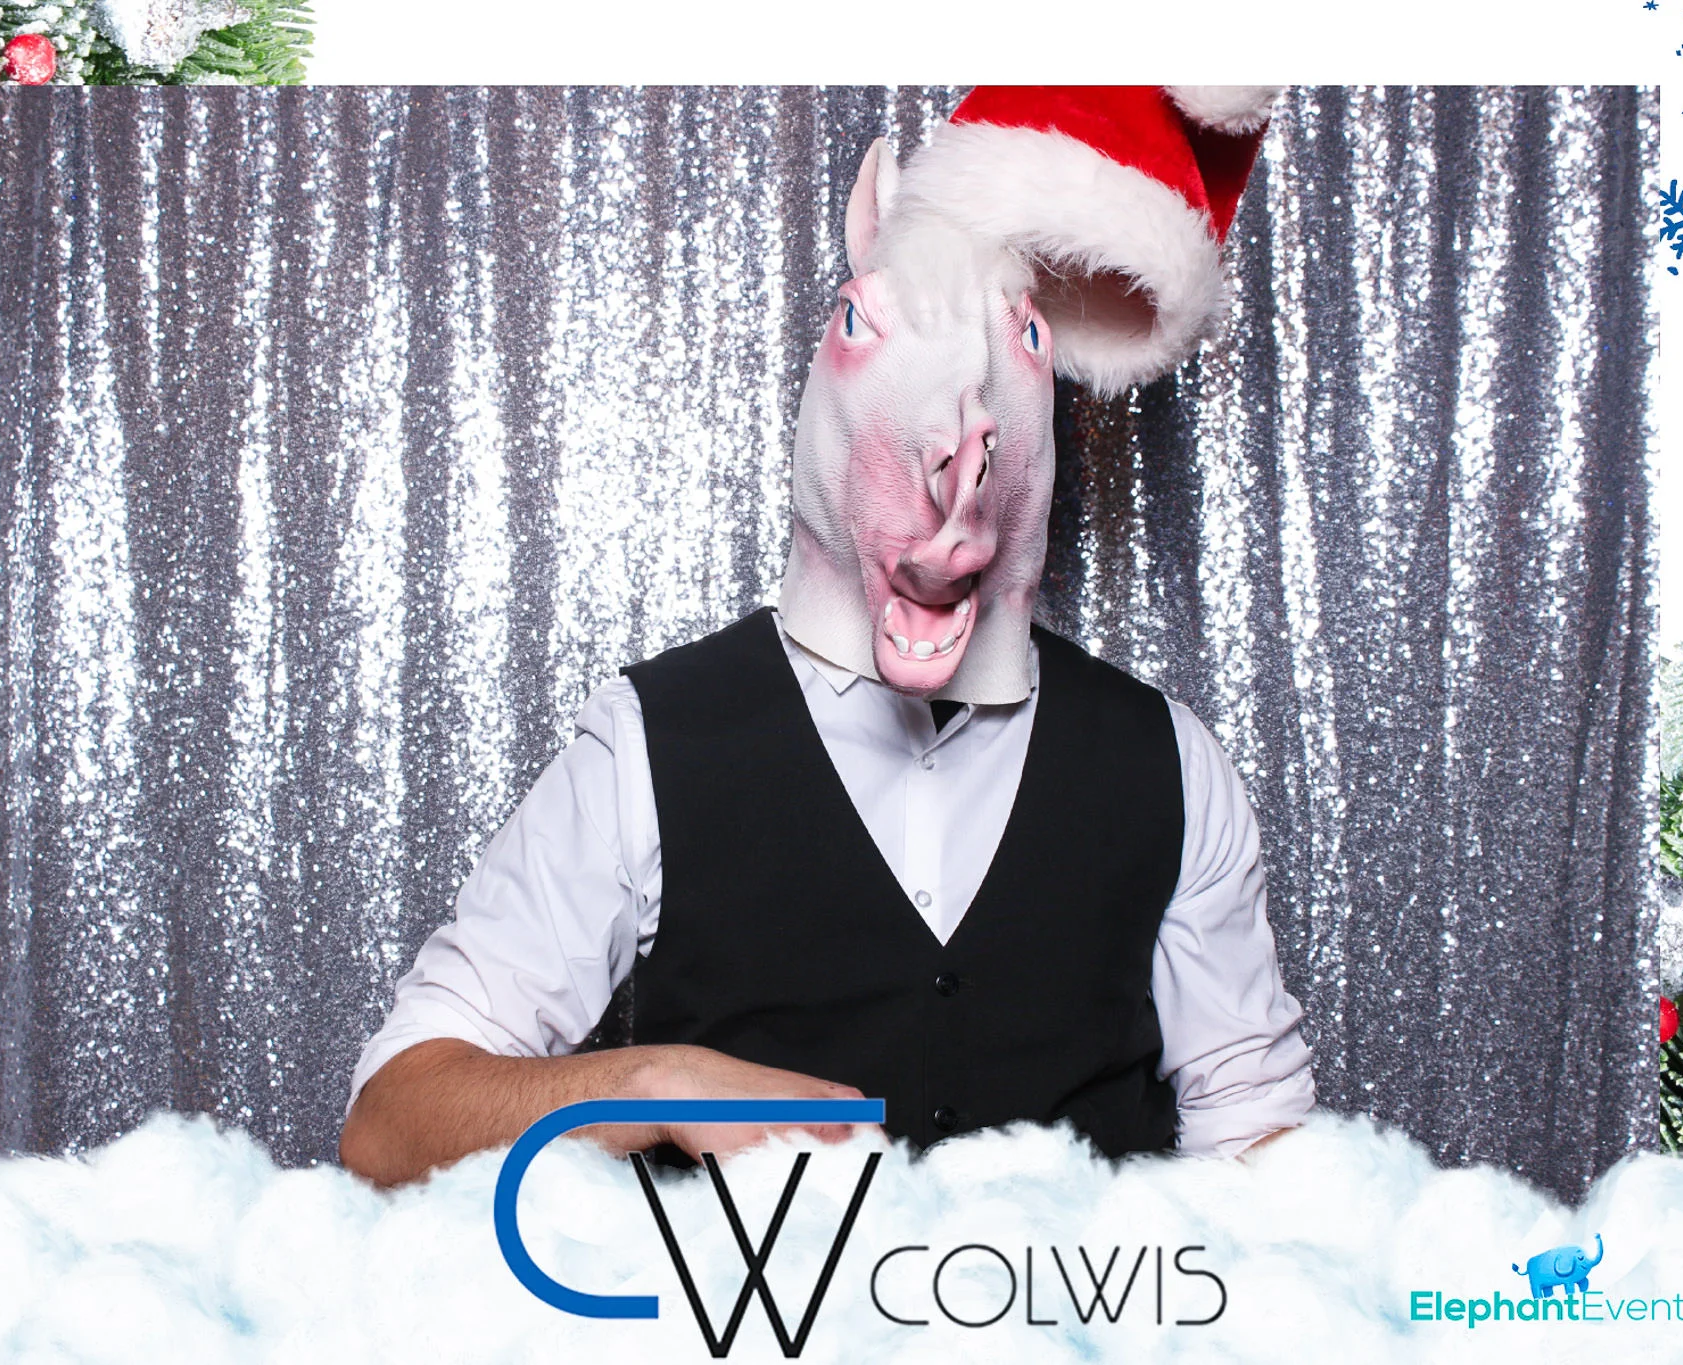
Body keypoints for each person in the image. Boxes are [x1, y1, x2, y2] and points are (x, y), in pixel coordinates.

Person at [341, 86, 1315, 1187]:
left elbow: (1260, 1140)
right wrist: (651, 1083)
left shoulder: (1166, 761)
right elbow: (390, 1123)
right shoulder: (651, 745)